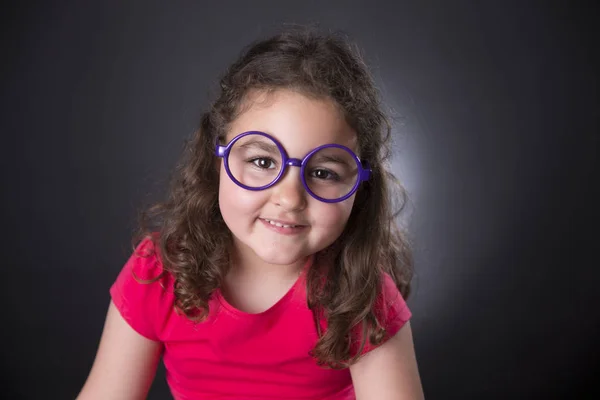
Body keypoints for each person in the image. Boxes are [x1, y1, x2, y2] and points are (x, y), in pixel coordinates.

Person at [77, 25, 425, 400]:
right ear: (218, 159)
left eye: (323, 173)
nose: (289, 198)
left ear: (360, 188)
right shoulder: (160, 271)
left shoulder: (362, 297)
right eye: (262, 160)